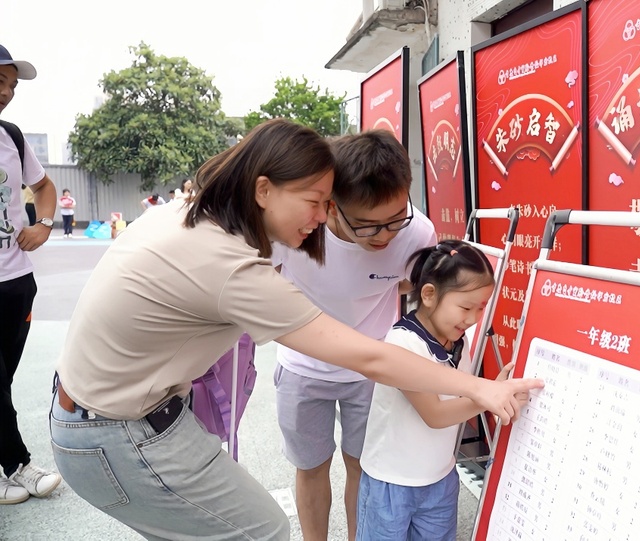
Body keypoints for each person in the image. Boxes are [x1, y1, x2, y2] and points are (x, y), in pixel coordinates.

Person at [49, 119, 540, 540]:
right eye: (316, 201)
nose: (322, 218)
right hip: (117, 431)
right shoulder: (234, 264)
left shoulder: (191, 217)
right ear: (263, 189)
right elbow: (368, 356)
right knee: (263, 528)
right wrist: (479, 387)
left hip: (120, 416)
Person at [271, 130, 436, 541]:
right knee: (311, 467)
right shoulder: (296, 233)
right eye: (367, 226)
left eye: (395, 219)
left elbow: (409, 283)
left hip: (370, 370)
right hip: (302, 369)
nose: (384, 237)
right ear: (330, 207)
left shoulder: (417, 234)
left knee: (362, 466)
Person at [357, 240, 526, 540]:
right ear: (429, 295)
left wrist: (492, 391)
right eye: (465, 307)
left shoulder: (460, 341)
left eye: (481, 307)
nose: (473, 318)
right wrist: (488, 394)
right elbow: (434, 414)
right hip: (392, 483)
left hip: (440, 478)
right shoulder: (403, 344)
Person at [0, 43, 62, 505]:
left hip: (17, 282)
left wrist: (43, 224)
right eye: (0, 82)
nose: (6, 93)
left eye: (12, 86)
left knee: (3, 380)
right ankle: (17, 464)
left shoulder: (11, 137)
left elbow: (43, 187)